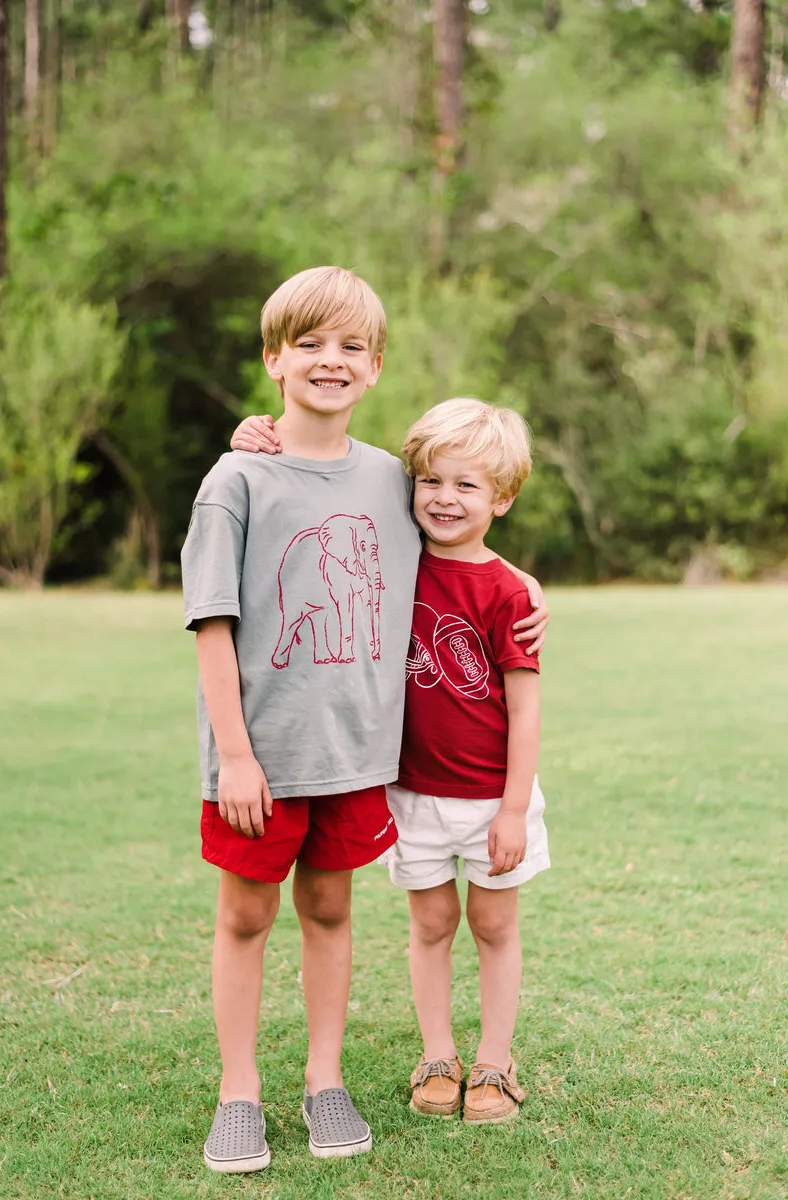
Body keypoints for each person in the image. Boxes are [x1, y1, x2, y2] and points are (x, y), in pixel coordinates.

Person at [183, 265, 548, 1173]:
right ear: (274, 357)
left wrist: (527, 587)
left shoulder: (394, 481)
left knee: (332, 910)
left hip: (355, 758)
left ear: (377, 366)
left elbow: (465, 540)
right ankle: (239, 1093)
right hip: (259, 759)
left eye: (351, 347)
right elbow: (213, 623)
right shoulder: (237, 480)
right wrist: (234, 752)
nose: (329, 361)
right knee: (244, 917)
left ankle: (324, 1080)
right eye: (308, 343)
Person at [387, 397, 549, 1127]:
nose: (445, 498)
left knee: (492, 924)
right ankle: (439, 1054)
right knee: (430, 924)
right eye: (431, 481)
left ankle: (495, 1057)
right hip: (412, 794)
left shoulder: (510, 591)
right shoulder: (392, 565)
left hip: (491, 798)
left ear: (503, 498)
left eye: (467, 486)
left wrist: (514, 808)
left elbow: (525, 707)